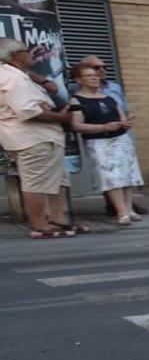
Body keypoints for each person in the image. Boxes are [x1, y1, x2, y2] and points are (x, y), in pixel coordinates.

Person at [0, 37, 74, 237]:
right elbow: (29, 111)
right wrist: (62, 116)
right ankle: (40, 225)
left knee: (57, 179)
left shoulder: (16, 74)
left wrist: (44, 83)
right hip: (32, 138)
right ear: (14, 56)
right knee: (35, 182)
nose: (31, 53)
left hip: (41, 137)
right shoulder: (13, 78)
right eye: (26, 50)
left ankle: (58, 218)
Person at [68, 59, 144, 226]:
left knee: (127, 175)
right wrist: (104, 126)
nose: (95, 78)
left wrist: (125, 123)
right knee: (111, 177)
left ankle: (129, 208)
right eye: (89, 76)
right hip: (99, 142)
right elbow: (76, 125)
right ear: (79, 80)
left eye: (95, 75)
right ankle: (121, 212)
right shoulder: (77, 100)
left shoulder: (109, 97)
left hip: (121, 139)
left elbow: (121, 117)